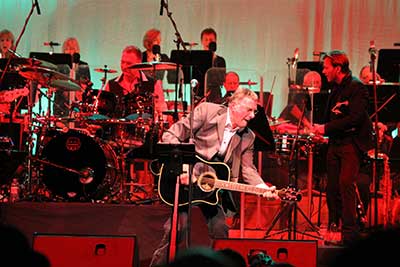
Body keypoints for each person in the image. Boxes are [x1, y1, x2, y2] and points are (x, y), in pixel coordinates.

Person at [149, 88, 278, 266]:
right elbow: (171, 135)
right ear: (233, 105)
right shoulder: (207, 111)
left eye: (254, 111)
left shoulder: (248, 137)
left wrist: (262, 188)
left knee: (220, 231)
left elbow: (248, 169)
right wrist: (182, 168)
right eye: (249, 110)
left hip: (212, 188)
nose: (252, 116)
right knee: (177, 228)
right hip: (187, 179)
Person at [312, 50, 373, 245]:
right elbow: (333, 117)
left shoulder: (357, 88)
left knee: (346, 184)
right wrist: (322, 131)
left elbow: (355, 118)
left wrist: (326, 128)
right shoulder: (335, 89)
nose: (323, 71)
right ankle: (334, 227)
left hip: (350, 144)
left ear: (338, 68)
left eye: (326, 67)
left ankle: (350, 236)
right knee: (332, 187)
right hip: (335, 143)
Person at [53, 37, 91, 117]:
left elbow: (86, 87)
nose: (70, 51)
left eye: (72, 48)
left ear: (77, 50)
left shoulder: (83, 66)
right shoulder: (59, 66)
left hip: (77, 105)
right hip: (60, 105)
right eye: (67, 49)